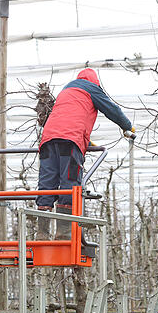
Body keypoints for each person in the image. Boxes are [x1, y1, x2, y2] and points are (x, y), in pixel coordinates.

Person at [36, 68, 133, 239]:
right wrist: (127, 126)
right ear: (95, 82)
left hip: (48, 140)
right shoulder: (91, 88)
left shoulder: (66, 91)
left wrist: (86, 142)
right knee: (70, 182)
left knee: (47, 182)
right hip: (70, 141)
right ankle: (63, 232)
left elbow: (66, 120)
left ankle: (42, 232)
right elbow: (112, 109)